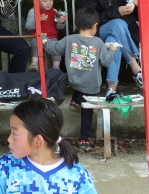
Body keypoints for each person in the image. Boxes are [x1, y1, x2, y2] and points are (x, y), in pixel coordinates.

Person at [44, 8, 116, 151]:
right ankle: (83, 140)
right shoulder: (98, 42)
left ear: (76, 25)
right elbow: (106, 61)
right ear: (95, 26)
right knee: (87, 113)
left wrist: (44, 40)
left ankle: (74, 101)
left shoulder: (69, 39)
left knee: (78, 81)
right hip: (91, 86)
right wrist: (112, 50)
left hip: (74, 81)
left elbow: (54, 48)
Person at [77, 0, 142, 100]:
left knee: (114, 41)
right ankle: (135, 67)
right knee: (117, 24)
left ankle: (111, 89)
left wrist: (137, 3)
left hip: (122, 33)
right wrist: (117, 11)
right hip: (96, 31)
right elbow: (90, 18)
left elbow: (139, 14)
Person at [26, 0, 67, 72]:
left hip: (51, 37)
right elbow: (28, 26)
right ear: (36, 0)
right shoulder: (33, 11)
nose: (49, 3)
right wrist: (36, 20)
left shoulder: (54, 11)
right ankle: (34, 63)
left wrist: (61, 22)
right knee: (37, 44)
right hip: (37, 36)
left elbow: (58, 27)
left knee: (57, 46)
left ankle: (56, 67)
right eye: (45, 1)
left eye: (51, 0)